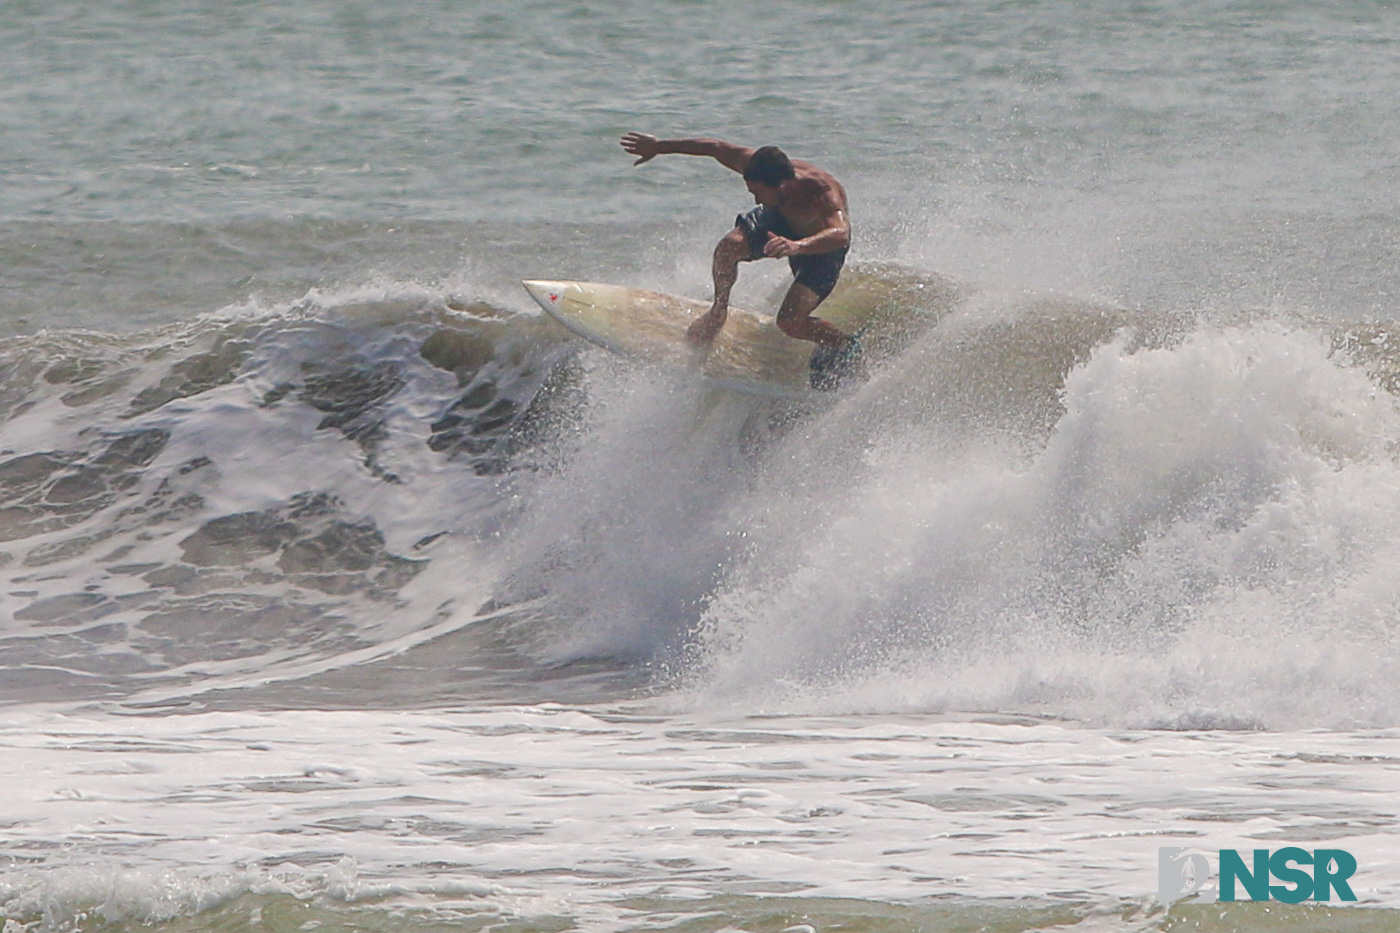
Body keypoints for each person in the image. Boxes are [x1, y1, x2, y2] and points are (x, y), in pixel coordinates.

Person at [620, 132, 860, 388]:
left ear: (783, 186)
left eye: (758, 193)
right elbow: (714, 146)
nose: (755, 200)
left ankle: (842, 344)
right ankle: (718, 311)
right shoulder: (756, 166)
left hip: (820, 247)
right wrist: (659, 146)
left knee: (790, 321)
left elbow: (841, 234)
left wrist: (797, 246)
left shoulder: (821, 191)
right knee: (728, 247)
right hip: (778, 219)